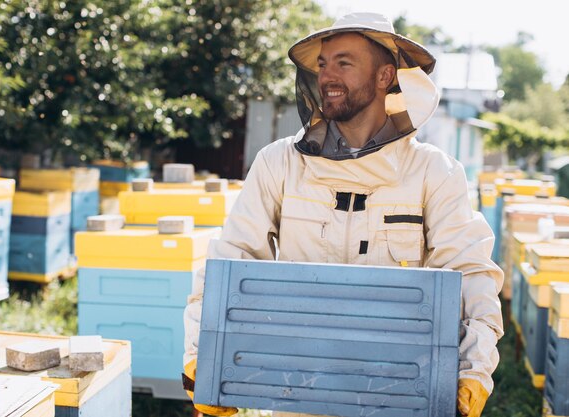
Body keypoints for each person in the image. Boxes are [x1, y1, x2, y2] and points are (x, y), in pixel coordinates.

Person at [183, 12, 503, 417]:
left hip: (397, 392)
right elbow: (230, 260)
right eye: (322, 64)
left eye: (344, 63)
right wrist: (203, 355)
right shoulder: (279, 163)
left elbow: (470, 276)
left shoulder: (434, 172)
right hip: (293, 395)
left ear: (385, 76)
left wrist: (471, 372)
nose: (328, 76)